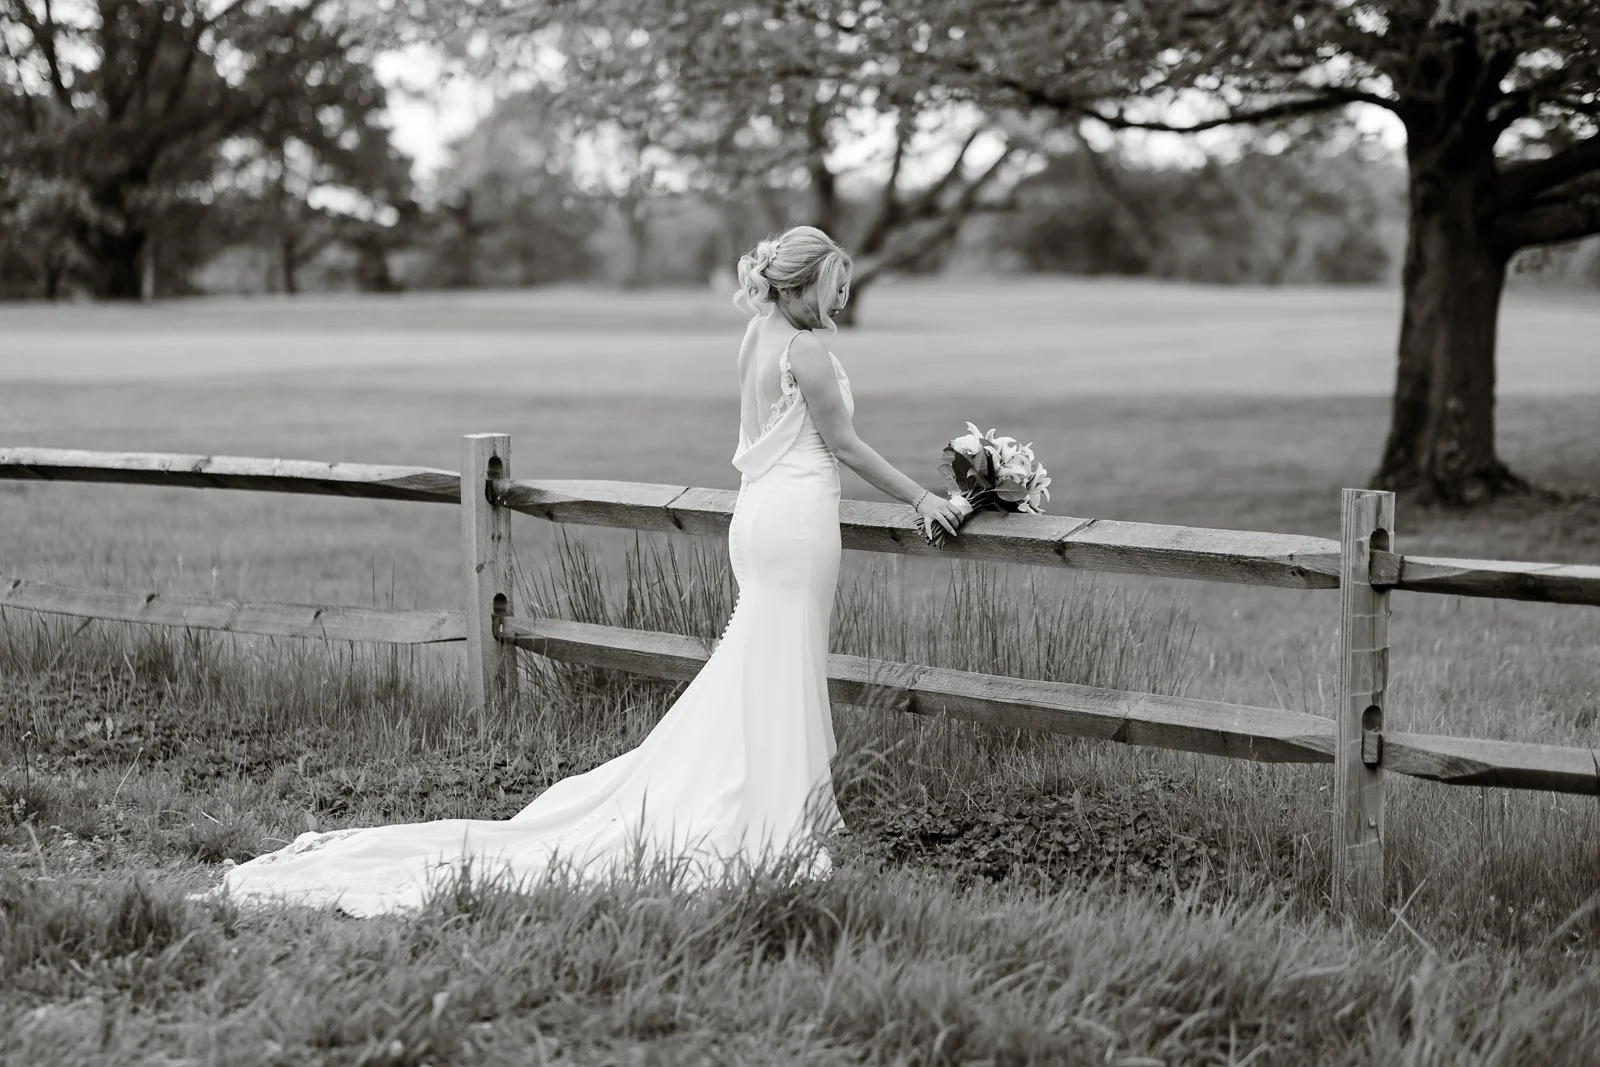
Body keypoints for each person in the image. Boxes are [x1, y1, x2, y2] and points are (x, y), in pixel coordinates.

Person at [199, 225, 965, 916]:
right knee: (780, 660)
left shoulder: (756, 336)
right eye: (836, 281)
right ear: (803, 281)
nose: (843, 294)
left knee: (759, 661)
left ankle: (781, 801)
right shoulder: (806, 351)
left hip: (758, 517)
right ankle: (771, 813)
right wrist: (927, 497)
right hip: (796, 520)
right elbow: (848, 446)